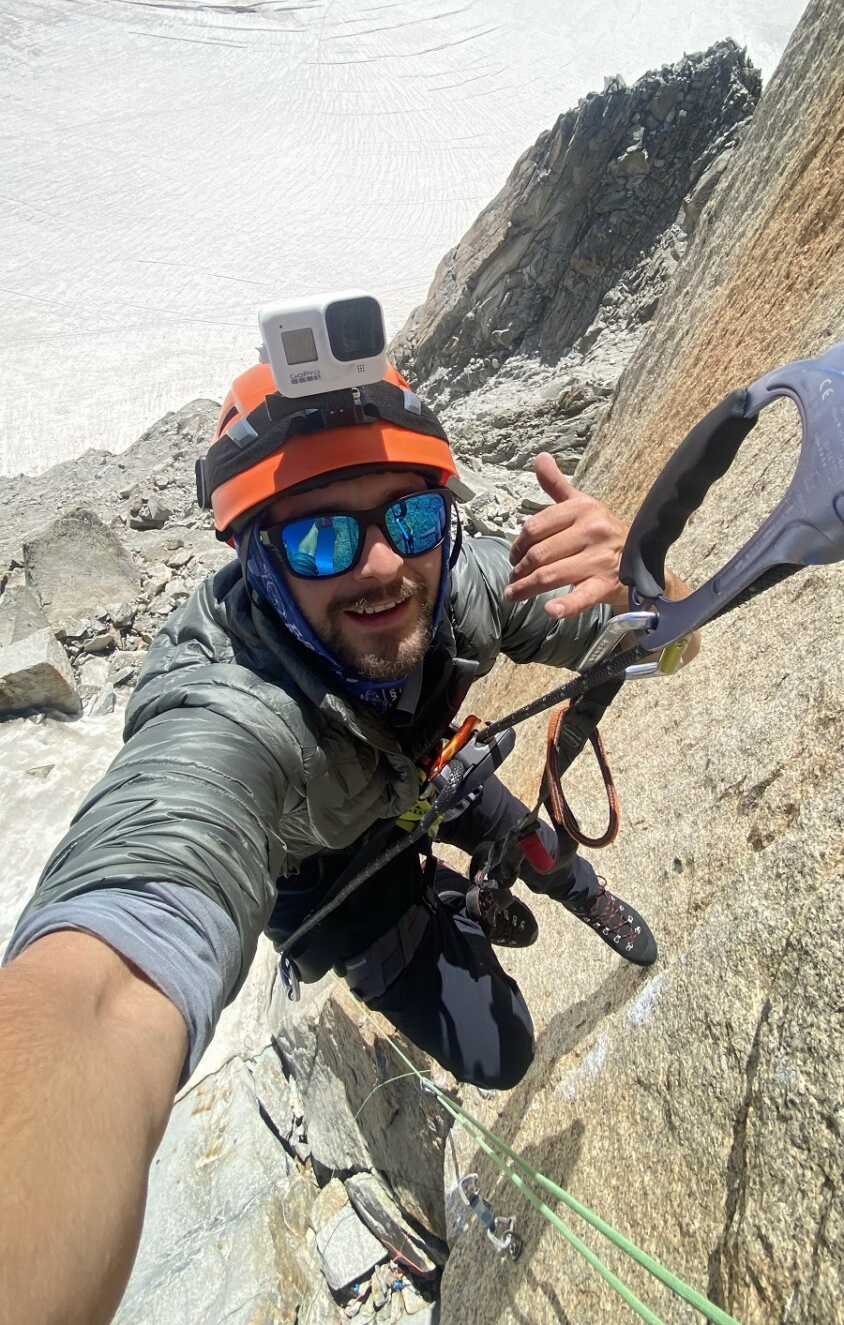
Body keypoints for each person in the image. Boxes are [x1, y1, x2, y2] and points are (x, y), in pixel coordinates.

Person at [0, 355, 699, 1325]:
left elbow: (660, 645)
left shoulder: (463, 586)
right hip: (326, 872)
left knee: (531, 843)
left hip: (425, 775)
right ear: (254, 558)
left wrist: (652, 596)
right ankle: (457, 905)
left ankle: (567, 885)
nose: (379, 566)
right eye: (320, 537)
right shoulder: (227, 708)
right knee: (499, 1051)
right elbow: (111, 973)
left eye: (408, 519)